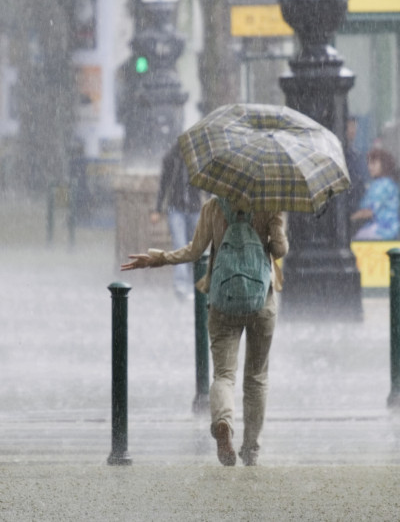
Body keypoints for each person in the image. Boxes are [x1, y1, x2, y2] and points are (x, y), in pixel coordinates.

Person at [121, 196, 288, 467]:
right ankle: (251, 450)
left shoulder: (214, 205)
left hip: (223, 300)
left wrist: (159, 258)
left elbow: (195, 251)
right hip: (261, 301)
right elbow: (279, 249)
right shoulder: (269, 202)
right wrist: (272, 230)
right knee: (256, 378)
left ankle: (223, 421)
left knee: (223, 374)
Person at [151, 142, 204, 301]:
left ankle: (193, 284)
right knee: (180, 246)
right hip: (176, 209)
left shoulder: (199, 161)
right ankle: (181, 285)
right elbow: (164, 185)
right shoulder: (171, 159)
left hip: (194, 209)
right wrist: (158, 209)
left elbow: (207, 185)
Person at [351, 146, 400, 240]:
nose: (370, 167)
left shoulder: (381, 186)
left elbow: (368, 211)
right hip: (390, 229)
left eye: (373, 163)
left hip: (382, 230)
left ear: (384, 165)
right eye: (368, 163)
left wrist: (349, 220)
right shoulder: (389, 183)